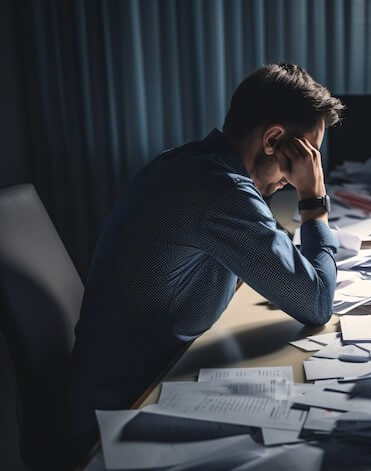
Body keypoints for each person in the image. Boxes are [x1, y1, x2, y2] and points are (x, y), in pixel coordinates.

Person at [68, 63, 344, 458]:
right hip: (125, 406)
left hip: (138, 376)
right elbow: (316, 304)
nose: (308, 169)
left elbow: (268, 252)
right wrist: (314, 202)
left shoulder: (194, 164)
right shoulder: (221, 189)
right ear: (273, 139)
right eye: (308, 153)